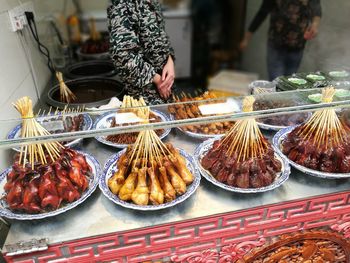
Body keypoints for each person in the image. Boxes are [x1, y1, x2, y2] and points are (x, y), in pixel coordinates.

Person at [107, 0, 175, 104]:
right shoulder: (123, 6)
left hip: (166, 89)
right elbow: (123, 57)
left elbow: (162, 38)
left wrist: (170, 60)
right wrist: (157, 80)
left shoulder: (153, 2)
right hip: (144, 98)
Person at [240, 0, 322, 81]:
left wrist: (315, 25)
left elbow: (316, 9)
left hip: (297, 47)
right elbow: (261, 14)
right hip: (276, 46)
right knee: (277, 82)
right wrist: (246, 39)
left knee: (290, 83)